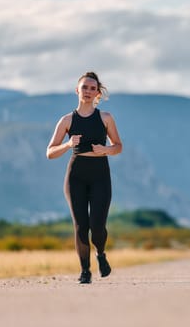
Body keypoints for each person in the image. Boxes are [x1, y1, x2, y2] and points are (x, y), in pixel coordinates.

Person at [46, 72, 123, 284]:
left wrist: (105, 150)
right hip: (76, 175)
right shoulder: (67, 120)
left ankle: (100, 253)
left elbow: (118, 146)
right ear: (77, 90)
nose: (88, 91)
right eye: (84, 87)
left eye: (92, 88)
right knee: (81, 226)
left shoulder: (105, 118)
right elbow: (50, 152)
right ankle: (85, 271)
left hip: (100, 174)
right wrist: (68, 144)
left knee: (97, 226)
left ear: (97, 92)